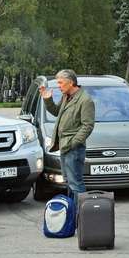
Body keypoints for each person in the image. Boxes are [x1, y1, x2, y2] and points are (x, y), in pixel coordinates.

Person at [39, 69, 96, 197]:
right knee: (69, 182)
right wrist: (47, 100)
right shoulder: (67, 97)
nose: (58, 86)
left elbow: (88, 126)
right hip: (65, 146)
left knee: (76, 183)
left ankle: (80, 213)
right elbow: (56, 112)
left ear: (70, 83)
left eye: (60, 83)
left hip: (73, 148)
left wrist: (73, 143)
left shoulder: (85, 100)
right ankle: (73, 211)